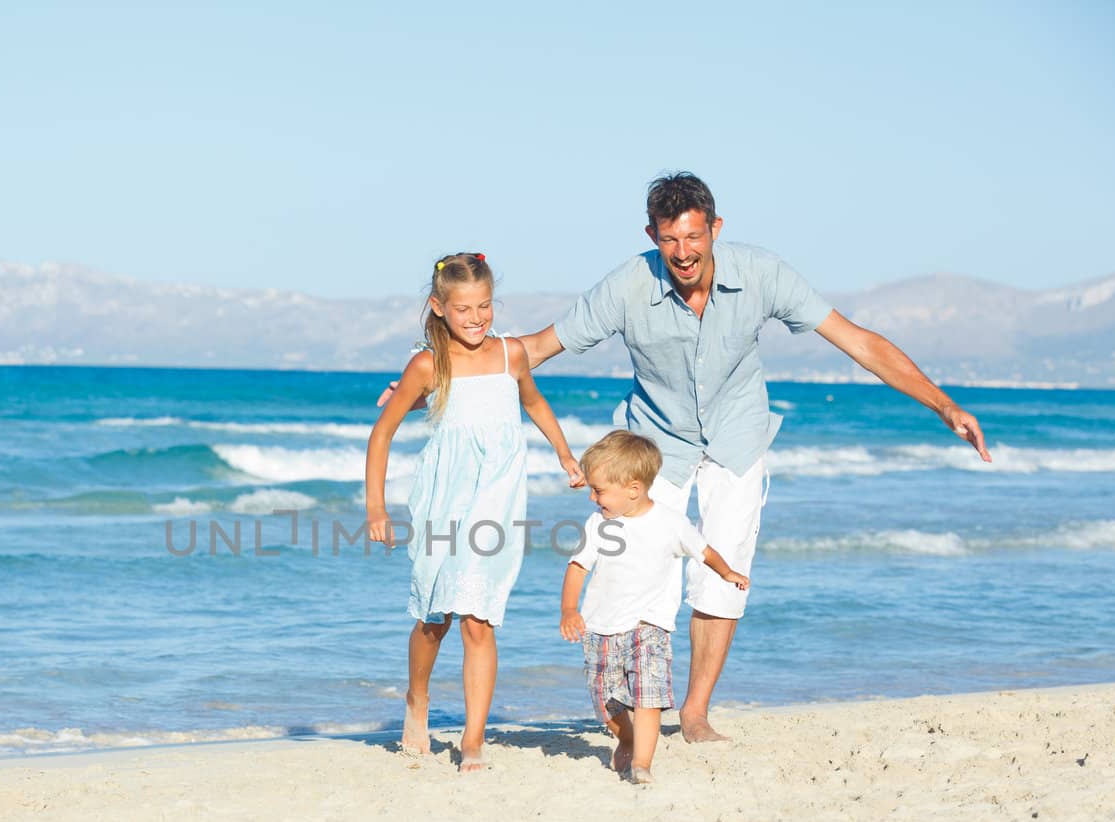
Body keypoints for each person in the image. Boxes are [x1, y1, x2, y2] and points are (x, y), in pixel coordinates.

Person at [516, 171, 992, 743]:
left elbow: (857, 341)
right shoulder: (626, 285)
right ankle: (634, 702)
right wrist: (435, 375)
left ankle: (693, 713)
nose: (683, 253)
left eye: (694, 237)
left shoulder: (761, 274)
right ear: (652, 234)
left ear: (715, 229)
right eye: (669, 240)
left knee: (722, 579)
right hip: (657, 443)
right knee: (636, 569)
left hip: (737, 438)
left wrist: (943, 405)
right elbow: (535, 348)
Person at [366, 252, 584, 772]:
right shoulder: (427, 365)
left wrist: (564, 453)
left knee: (478, 619)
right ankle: (416, 700)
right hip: (444, 498)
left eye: (484, 306)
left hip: (498, 500)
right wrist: (376, 507)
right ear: (438, 307)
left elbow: (533, 403)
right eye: (463, 308)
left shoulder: (512, 355)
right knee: (433, 619)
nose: (475, 318)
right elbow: (382, 433)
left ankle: (472, 741)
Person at [559, 431, 749, 784]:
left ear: (632, 488)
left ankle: (642, 763)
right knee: (605, 703)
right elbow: (578, 567)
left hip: (650, 625)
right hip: (601, 628)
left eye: (599, 490)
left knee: (649, 695)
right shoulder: (599, 524)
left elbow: (703, 551)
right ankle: (627, 737)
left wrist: (727, 573)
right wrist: (570, 610)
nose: (592, 497)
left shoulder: (671, 522)